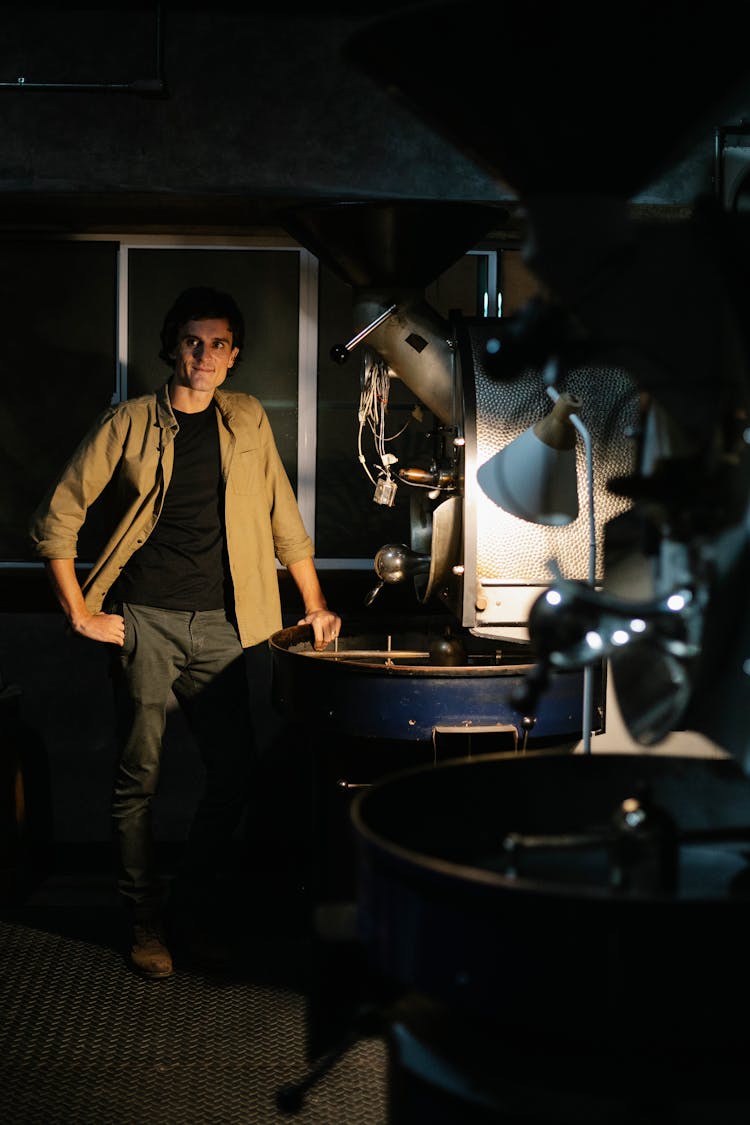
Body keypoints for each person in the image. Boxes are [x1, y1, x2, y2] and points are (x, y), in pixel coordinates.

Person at [29, 285, 341, 980]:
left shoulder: (250, 419)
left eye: (219, 344)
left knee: (236, 771)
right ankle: (144, 920)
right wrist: (81, 613)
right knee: (138, 775)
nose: (205, 355)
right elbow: (57, 516)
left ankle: (191, 911)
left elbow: (282, 518)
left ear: (234, 357)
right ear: (173, 346)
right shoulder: (130, 422)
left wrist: (315, 601)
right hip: (145, 621)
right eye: (193, 341)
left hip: (228, 627)